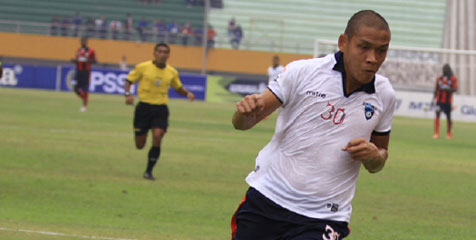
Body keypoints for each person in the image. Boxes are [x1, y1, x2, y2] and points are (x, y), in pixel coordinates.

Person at [231, 10, 396, 240]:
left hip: (325, 217)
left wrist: (373, 155)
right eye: (364, 47)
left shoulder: (385, 94)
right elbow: (244, 123)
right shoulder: (303, 72)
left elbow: (379, 157)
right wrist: (244, 112)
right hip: (267, 201)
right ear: (343, 43)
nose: (373, 58)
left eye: (382, 50)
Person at [124, 43, 195, 180]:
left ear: (168, 55)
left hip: (160, 109)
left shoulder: (172, 72)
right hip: (143, 108)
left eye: (165, 52)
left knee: (158, 136)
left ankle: (148, 171)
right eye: (160, 51)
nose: (162, 54)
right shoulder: (143, 67)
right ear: (154, 53)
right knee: (140, 144)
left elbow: (178, 88)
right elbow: (129, 81)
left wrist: (187, 93)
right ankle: (146, 158)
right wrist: (128, 94)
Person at [71, 37, 97, 112]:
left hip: (86, 72)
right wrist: (74, 61)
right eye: (82, 41)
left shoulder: (91, 51)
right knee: (76, 89)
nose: (83, 42)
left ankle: (84, 105)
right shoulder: (79, 50)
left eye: (84, 41)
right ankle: (85, 99)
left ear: (87, 41)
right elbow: (78, 60)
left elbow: (95, 61)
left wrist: (88, 59)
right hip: (79, 71)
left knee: (85, 89)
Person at [432, 63, 458, 139]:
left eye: (446, 69)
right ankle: (436, 133)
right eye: (444, 69)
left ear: (449, 70)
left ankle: (449, 133)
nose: (445, 71)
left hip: (447, 101)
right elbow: (436, 90)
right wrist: (433, 99)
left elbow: (455, 89)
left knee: (448, 117)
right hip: (439, 101)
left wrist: (449, 89)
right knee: (437, 115)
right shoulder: (439, 79)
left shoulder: (453, 79)